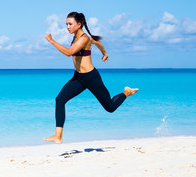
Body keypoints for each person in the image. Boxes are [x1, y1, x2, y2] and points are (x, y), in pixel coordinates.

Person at [43, 11, 139, 144]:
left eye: (70, 24)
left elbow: (69, 52)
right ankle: (58, 136)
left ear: (79, 24)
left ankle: (126, 92)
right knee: (60, 99)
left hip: (91, 77)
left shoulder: (83, 38)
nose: (67, 27)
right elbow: (97, 42)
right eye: (66, 24)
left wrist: (52, 41)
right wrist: (104, 53)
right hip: (78, 78)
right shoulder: (78, 37)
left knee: (110, 108)